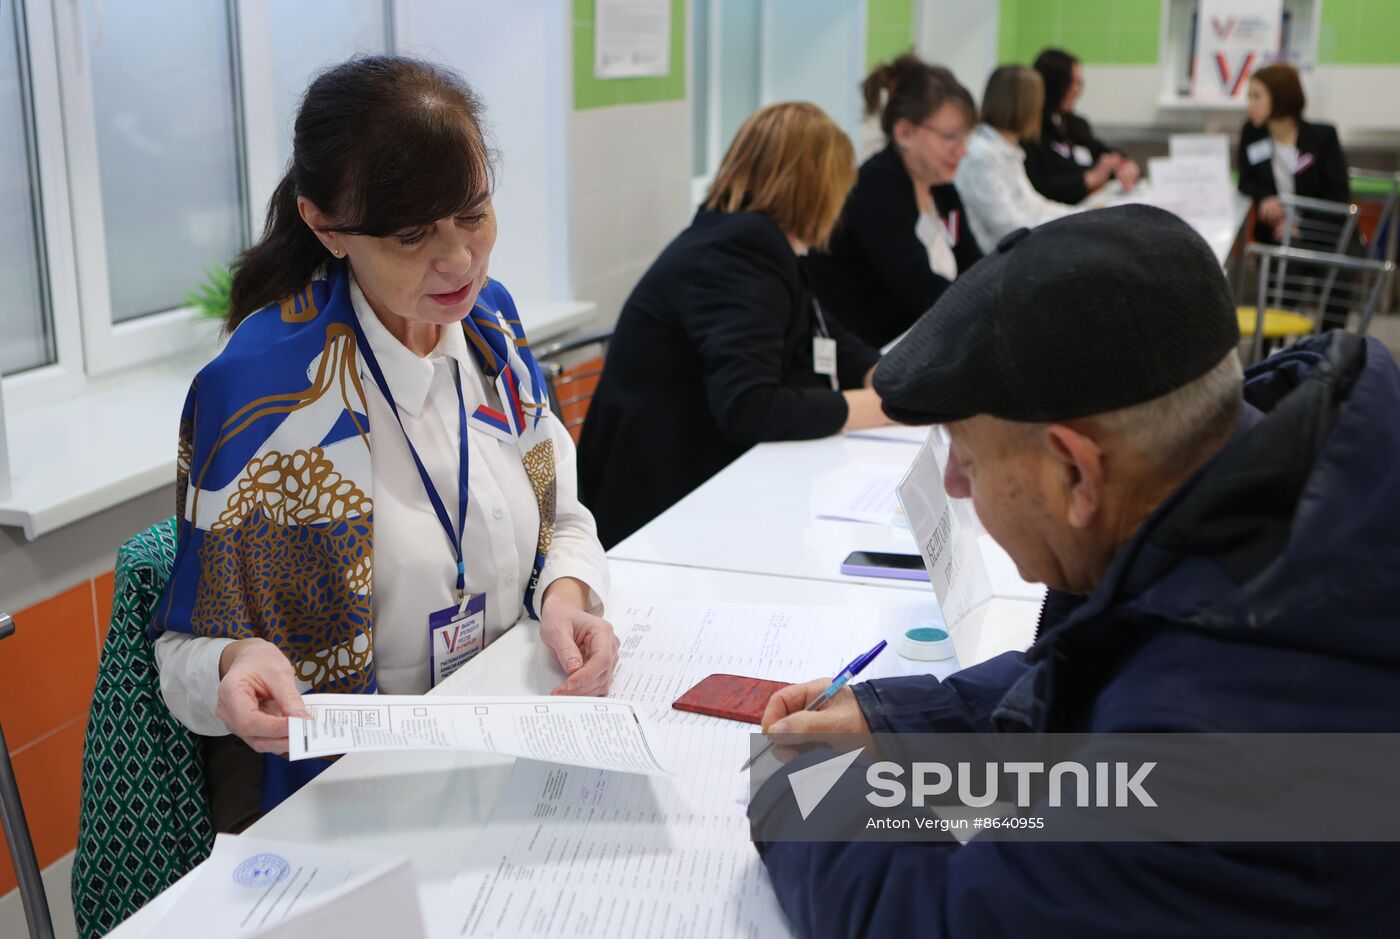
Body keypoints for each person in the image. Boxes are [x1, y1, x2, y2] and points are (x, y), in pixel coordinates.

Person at [750, 205, 1400, 935]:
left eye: (966, 453)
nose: (956, 484)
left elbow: (933, 918)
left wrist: (792, 782)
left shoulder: (1205, 745)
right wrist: (897, 720)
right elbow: (1114, 655)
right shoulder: (1302, 486)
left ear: (1076, 471)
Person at [150, 56, 617, 830]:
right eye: (412, 235)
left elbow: (562, 516)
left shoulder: (491, 328)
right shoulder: (264, 395)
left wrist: (568, 594)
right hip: (356, 797)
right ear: (324, 226)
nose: (460, 260)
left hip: (512, 753)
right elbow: (181, 655)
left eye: (474, 215)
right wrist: (232, 664)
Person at [577, 103, 887, 548]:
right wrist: (875, 407)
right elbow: (752, 407)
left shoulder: (746, 240)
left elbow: (822, 328)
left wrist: (886, 377)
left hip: (694, 477)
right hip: (663, 509)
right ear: (818, 187)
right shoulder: (738, 251)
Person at [804, 54, 982, 349]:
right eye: (951, 137)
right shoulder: (874, 189)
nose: (962, 150)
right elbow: (919, 291)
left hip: (920, 343)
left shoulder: (942, 188)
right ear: (905, 133)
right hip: (869, 355)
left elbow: (974, 267)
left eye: (965, 137)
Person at [955, 65, 1078, 248]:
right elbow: (1008, 225)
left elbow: (1033, 204)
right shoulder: (981, 155)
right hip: (994, 262)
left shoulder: (1006, 149)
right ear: (1027, 106)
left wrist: (1081, 216)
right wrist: (1073, 224)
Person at [1238, 62, 1350, 244]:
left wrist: (1303, 227)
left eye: (1256, 96)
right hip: (1274, 235)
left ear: (1280, 97)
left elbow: (1337, 197)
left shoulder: (1322, 138)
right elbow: (1246, 181)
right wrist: (1266, 197)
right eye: (1249, 96)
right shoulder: (1251, 133)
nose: (1249, 106)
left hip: (1319, 235)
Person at [1022, 47, 1140, 205]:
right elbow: (1038, 187)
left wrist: (1124, 165)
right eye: (1072, 82)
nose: (1077, 90)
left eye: (1079, 83)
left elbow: (1104, 152)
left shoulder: (1076, 124)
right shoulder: (1030, 130)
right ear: (1053, 83)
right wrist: (1090, 178)